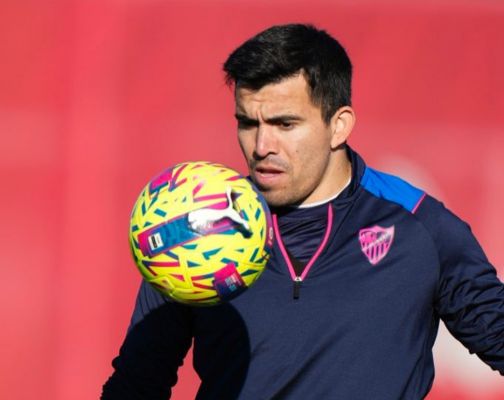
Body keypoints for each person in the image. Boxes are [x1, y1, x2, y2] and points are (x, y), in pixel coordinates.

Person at [102, 24, 504, 399]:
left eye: (285, 124)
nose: (262, 146)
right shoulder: (196, 232)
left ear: (339, 125)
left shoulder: (418, 225)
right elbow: (137, 382)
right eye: (247, 123)